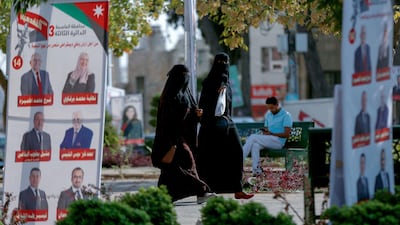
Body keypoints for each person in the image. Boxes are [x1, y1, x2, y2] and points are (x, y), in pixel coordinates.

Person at [151, 64, 216, 204]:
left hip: (180, 138)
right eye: (182, 77)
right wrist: (172, 142)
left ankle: (164, 196)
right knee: (184, 164)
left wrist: (196, 114)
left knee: (170, 170)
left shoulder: (185, 95)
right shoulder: (169, 97)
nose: (185, 80)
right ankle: (202, 190)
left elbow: (187, 116)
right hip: (171, 139)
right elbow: (169, 122)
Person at [197, 53, 254, 199]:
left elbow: (228, 106)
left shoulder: (228, 83)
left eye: (225, 62)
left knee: (237, 152)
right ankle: (206, 190)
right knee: (210, 159)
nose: (223, 65)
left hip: (226, 122)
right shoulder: (209, 82)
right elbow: (203, 104)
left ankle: (237, 188)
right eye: (220, 62)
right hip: (210, 124)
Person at [242, 96, 293, 175]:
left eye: (272, 108)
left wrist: (272, 134)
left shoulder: (286, 115)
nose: (271, 110)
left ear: (277, 105)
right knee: (255, 145)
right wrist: (266, 132)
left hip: (279, 142)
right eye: (269, 108)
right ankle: (256, 170)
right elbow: (266, 130)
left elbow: (286, 134)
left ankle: (238, 161)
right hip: (269, 140)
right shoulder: (268, 115)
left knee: (252, 137)